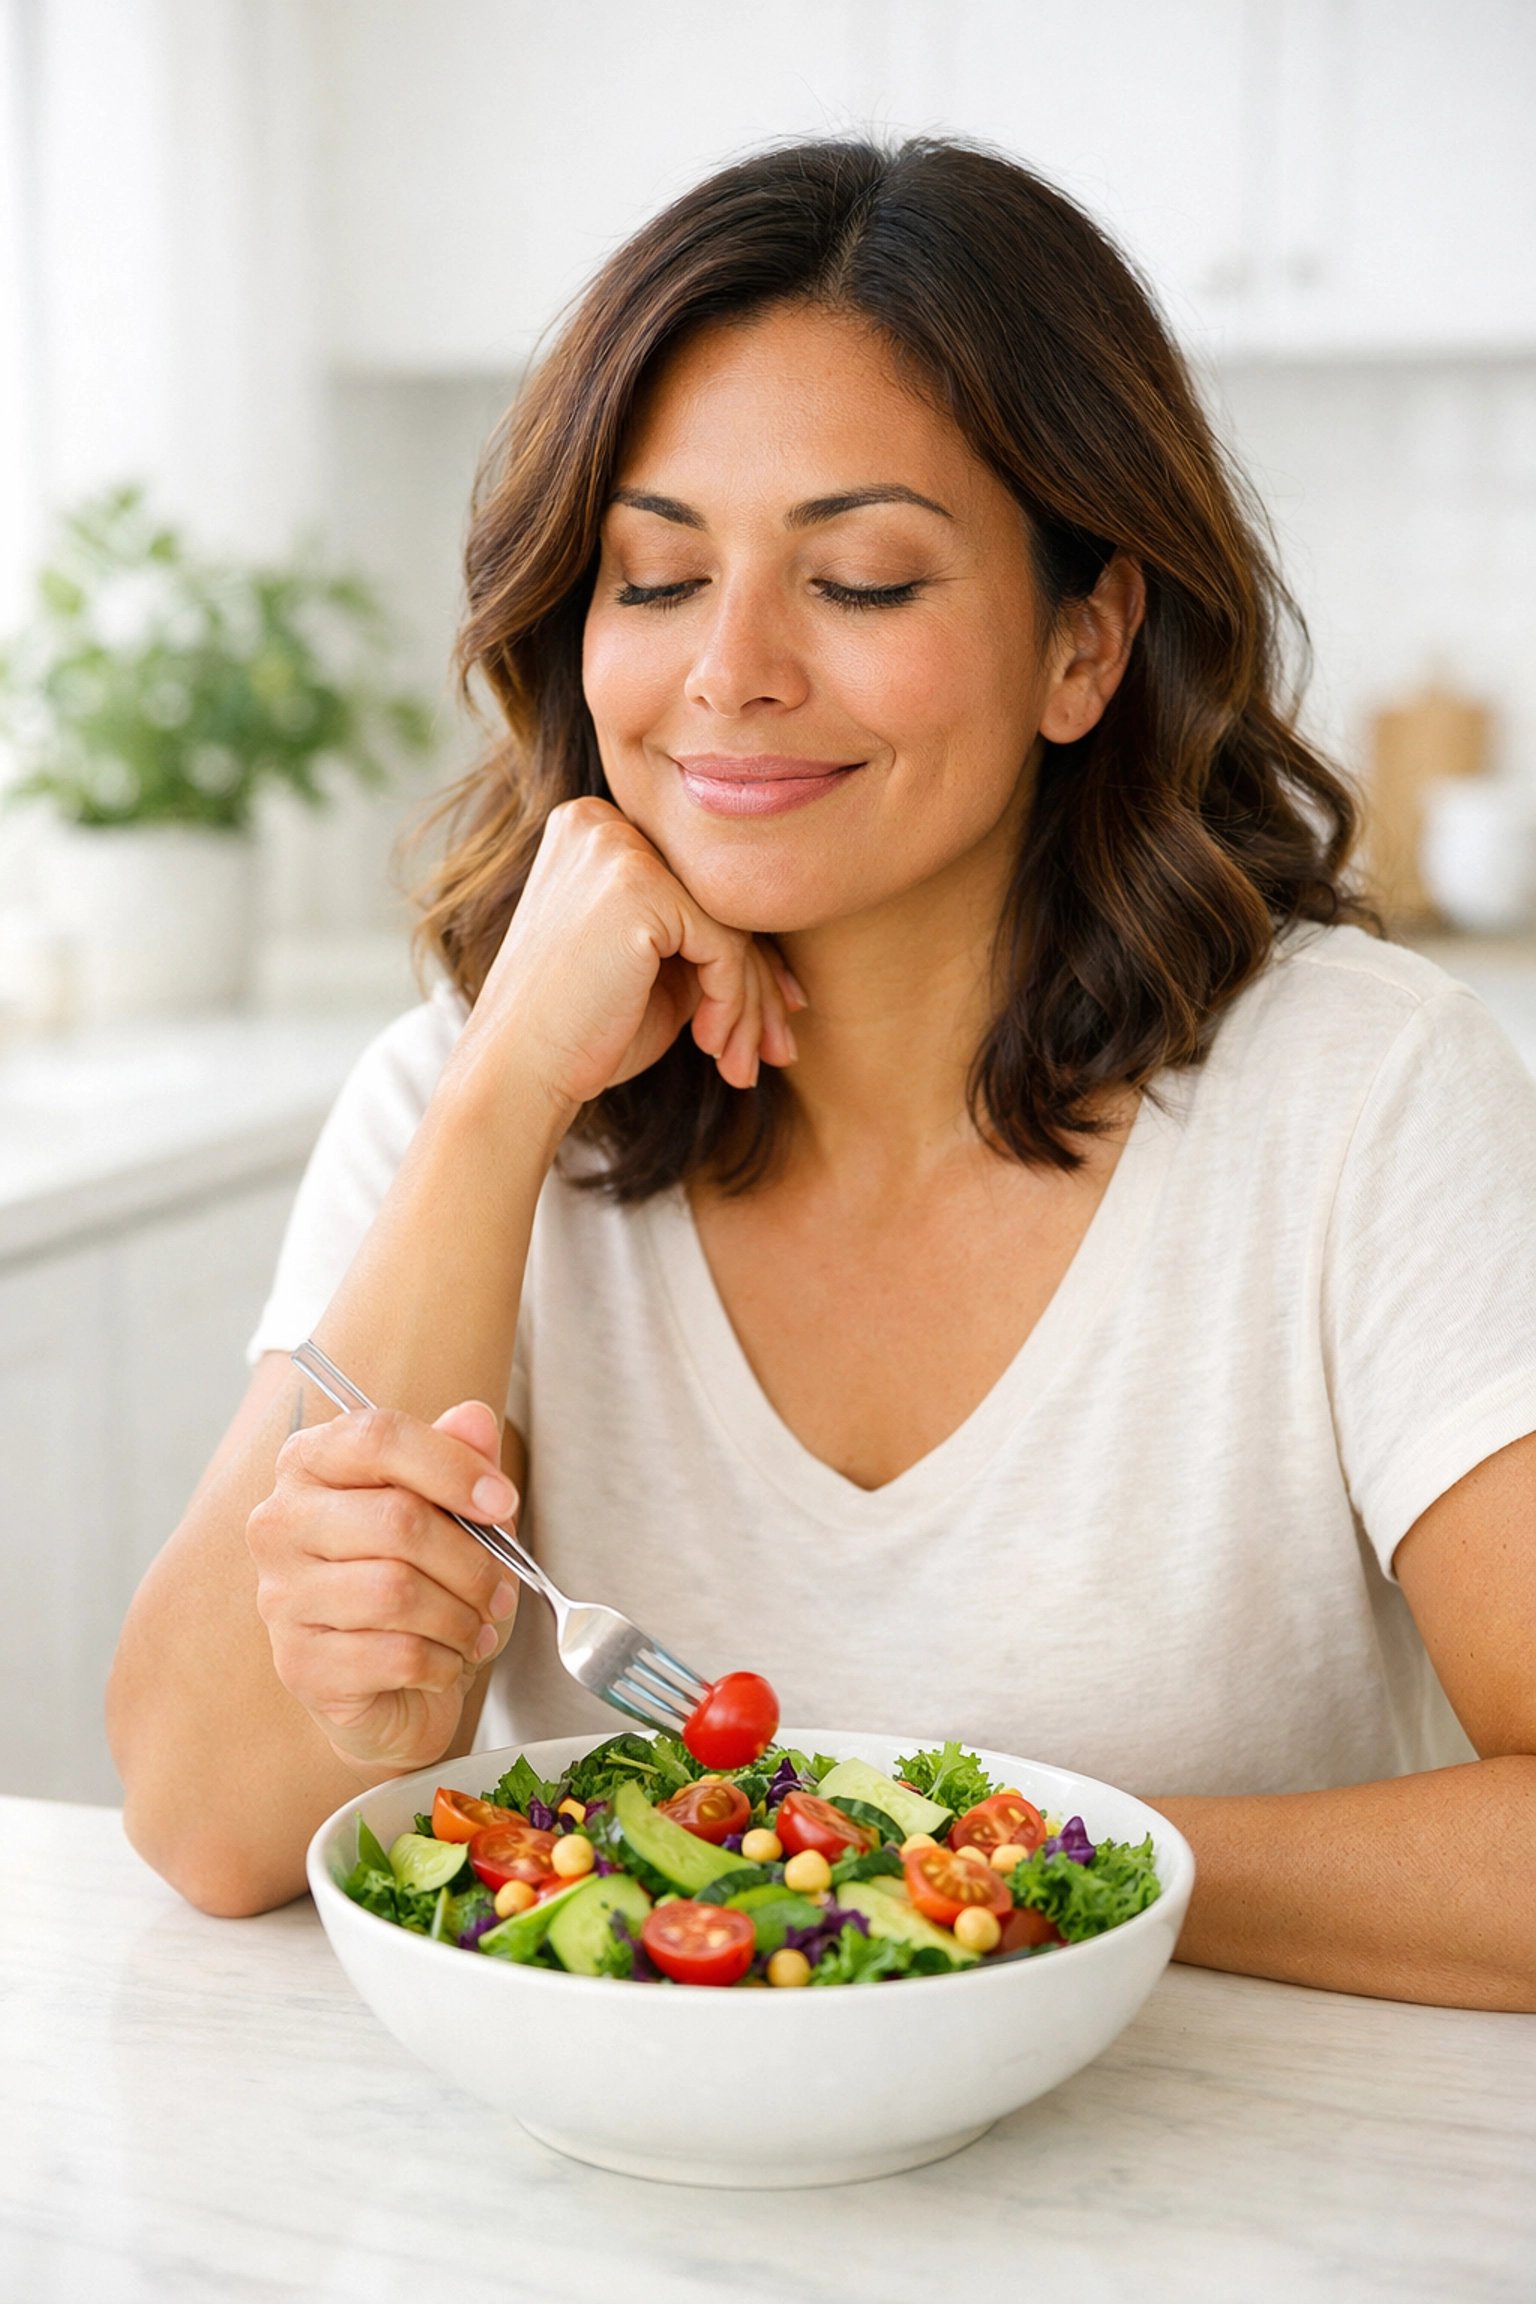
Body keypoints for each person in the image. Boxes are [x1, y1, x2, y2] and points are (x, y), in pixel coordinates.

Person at [108, 139, 1536, 2007]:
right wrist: (502, 1094)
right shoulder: (462, 1097)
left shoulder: (1365, 1095)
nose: (731, 670)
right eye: (655, 576)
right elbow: (205, 1824)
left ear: (1086, 642)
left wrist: (966, 1858)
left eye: (858, 580)